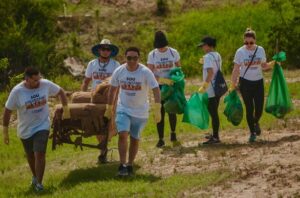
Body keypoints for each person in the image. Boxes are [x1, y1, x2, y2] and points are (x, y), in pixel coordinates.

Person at [2, 67, 70, 192]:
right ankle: (34, 176)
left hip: (42, 125)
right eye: (35, 80)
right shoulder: (17, 91)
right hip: (25, 129)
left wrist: (66, 109)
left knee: (39, 153)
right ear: (26, 79)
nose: (38, 82)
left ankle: (39, 183)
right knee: (30, 155)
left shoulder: (45, 84)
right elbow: (7, 110)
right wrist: (5, 131)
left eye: (39, 78)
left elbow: (60, 91)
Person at [104, 47, 161, 176]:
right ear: (125, 58)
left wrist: (157, 108)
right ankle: (122, 165)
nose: (131, 60)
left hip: (140, 111)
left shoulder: (145, 72)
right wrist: (109, 107)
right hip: (123, 108)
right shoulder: (119, 71)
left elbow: (156, 89)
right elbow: (113, 90)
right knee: (123, 134)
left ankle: (130, 164)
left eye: (134, 58)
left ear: (138, 58)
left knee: (135, 139)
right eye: (129, 58)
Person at [230, 28, 275, 143]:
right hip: (245, 83)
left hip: (258, 82)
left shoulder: (260, 50)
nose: (248, 45)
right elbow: (236, 69)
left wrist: (275, 63)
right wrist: (233, 84)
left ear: (255, 40)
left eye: (251, 42)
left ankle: (255, 122)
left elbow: (264, 66)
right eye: (246, 43)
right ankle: (252, 133)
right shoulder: (240, 52)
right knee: (250, 109)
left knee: (259, 109)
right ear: (244, 41)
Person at [81, 39, 120, 163]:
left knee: (109, 124)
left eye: (108, 49)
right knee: (96, 124)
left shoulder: (115, 65)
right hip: (95, 98)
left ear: (111, 51)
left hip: (110, 98)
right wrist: (82, 94)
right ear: (99, 50)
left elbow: (119, 83)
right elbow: (86, 81)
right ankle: (103, 150)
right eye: (103, 48)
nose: (105, 51)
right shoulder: (92, 64)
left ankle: (104, 148)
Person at [147, 30, 181, 148]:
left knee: (171, 110)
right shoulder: (152, 55)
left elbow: (179, 68)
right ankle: (160, 139)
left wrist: (176, 80)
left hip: (171, 85)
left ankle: (173, 133)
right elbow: (150, 72)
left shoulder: (173, 52)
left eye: (163, 47)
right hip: (158, 86)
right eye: (159, 47)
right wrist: (162, 81)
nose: (161, 49)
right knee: (159, 111)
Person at [198, 36, 222, 144]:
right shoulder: (217, 55)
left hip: (211, 89)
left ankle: (216, 137)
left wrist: (204, 86)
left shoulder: (207, 57)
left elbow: (210, 72)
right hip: (218, 87)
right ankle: (215, 134)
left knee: (213, 113)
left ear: (208, 45)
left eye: (203, 45)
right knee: (214, 112)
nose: (202, 47)